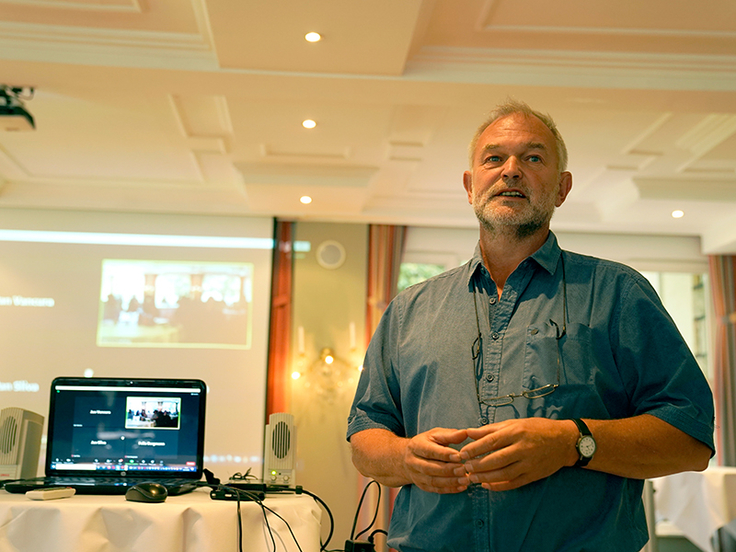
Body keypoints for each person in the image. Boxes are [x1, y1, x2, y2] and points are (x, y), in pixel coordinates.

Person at [346, 99, 715, 552]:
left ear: (562, 188)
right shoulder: (409, 310)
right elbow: (366, 436)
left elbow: (691, 436)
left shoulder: (618, 293)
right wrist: (404, 458)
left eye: (533, 158)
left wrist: (571, 442)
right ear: (469, 185)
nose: (511, 170)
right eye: (494, 158)